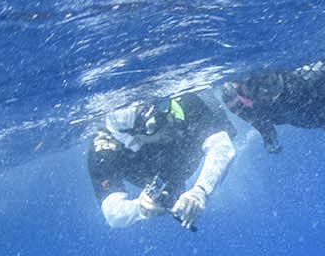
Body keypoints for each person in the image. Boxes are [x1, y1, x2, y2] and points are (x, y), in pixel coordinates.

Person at [88, 91, 239, 231]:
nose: (168, 120)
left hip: (184, 154)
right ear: (134, 137)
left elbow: (222, 146)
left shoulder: (181, 103)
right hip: (157, 169)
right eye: (155, 124)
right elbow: (112, 213)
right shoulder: (104, 150)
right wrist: (139, 208)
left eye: (162, 108)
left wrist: (200, 191)